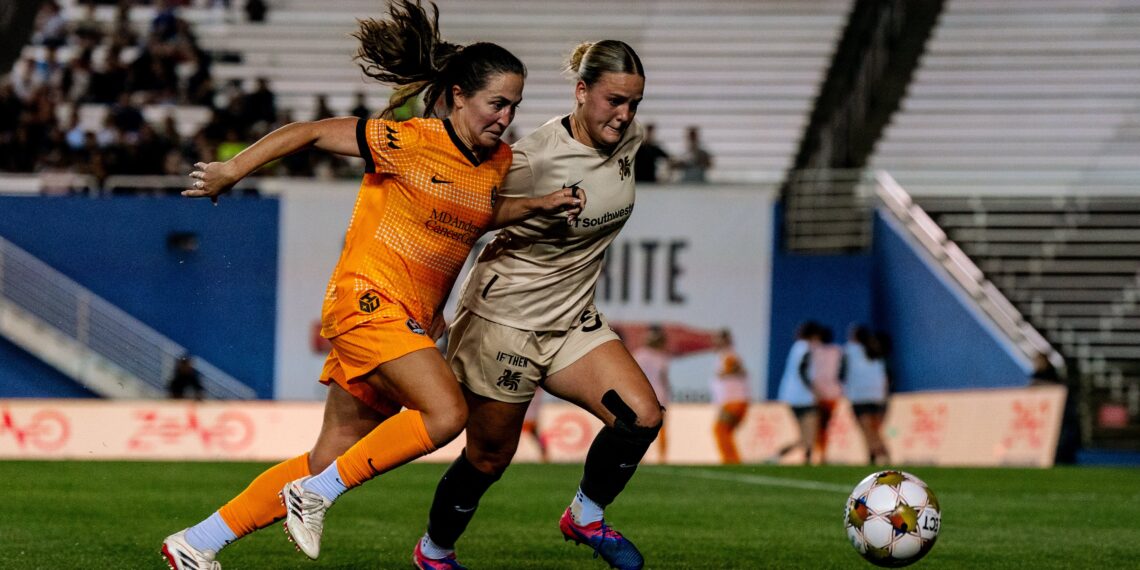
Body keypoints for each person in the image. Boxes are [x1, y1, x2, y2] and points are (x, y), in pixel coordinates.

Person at [159, 3, 583, 569]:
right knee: (446, 415)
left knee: (327, 456)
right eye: (496, 103)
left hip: (405, 321)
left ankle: (196, 543)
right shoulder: (407, 141)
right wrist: (233, 170)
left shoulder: (496, 160)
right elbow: (308, 133)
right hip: (368, 303)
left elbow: (474, 213)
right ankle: (316, 496)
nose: (505, 117)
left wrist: (539, 205)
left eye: (514, 106)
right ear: (458, 95)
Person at [413, 39, 653, 570]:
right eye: (614, 100)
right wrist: (435, 303)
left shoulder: (629, 139)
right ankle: (434, 552)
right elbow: (465, 221)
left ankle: (585, 516)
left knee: (641, 417)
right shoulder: (532, 160)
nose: (625, 114)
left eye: (634, 102)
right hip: (505, 324)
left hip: (571, 321)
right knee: (488, 457)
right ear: (581, 91)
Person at [843, 324, 889, 464]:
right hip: (878, 395)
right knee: (874, 429)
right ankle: (875, 456)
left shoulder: (849, 351)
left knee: (867, 430)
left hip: (859, 396)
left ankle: (881, 454)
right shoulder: (876, 350)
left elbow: (842, 373)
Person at [776, 320, 820, 463]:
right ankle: (805, 458)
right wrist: (814, 389)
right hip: (804, 397)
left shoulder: (797, 347)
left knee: (804, 435)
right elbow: (803, 370)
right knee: (809, 434)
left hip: (792, 395)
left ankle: (782, 453)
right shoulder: (806, 348)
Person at [631, 324, 671, 463]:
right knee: (661, 429)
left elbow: (633, 375)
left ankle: (639, 457)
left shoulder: (640, 354)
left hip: (644, 394)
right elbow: (664, 379)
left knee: (642, 428)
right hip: (659, 394)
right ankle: (662, 457)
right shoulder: (661, 357)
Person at [806, 325, 844, 465]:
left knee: (817, 426)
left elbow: (810, 373)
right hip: (833, 393)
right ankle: (821, 453)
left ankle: (817, 453)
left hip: (817, 393)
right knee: (824, 426)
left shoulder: (814, 350)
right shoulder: (838, 351)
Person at [710, 329, 749, 464]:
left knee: (720, 429)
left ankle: (731, 461)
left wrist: (725, 372)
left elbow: (737, 369)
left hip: (733, 401)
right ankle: (732, 461)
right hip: (733, 400)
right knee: (724, 431)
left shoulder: (729, 355)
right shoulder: (725, 355)